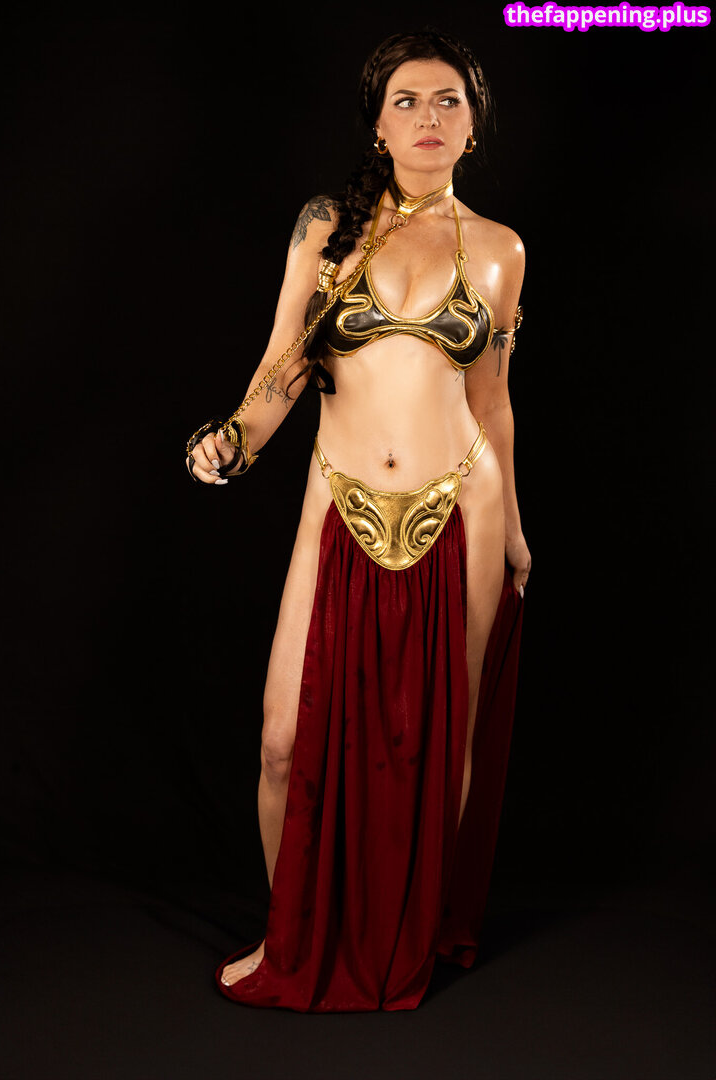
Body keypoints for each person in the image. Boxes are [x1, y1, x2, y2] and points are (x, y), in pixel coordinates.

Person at [185, 28, 530, 1012]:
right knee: (283, 740)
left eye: (449, 100)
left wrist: (514, 527)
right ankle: (292, 936)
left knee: (438, 747)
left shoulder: (500, 250)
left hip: (464, 505)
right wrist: (233, 440)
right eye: (408, 100)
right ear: (378, 124)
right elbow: (280, 368)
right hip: (336, 498)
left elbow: (494, 397)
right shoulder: (328, 227)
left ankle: (406, 938)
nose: (430, 117)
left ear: (474, 125)